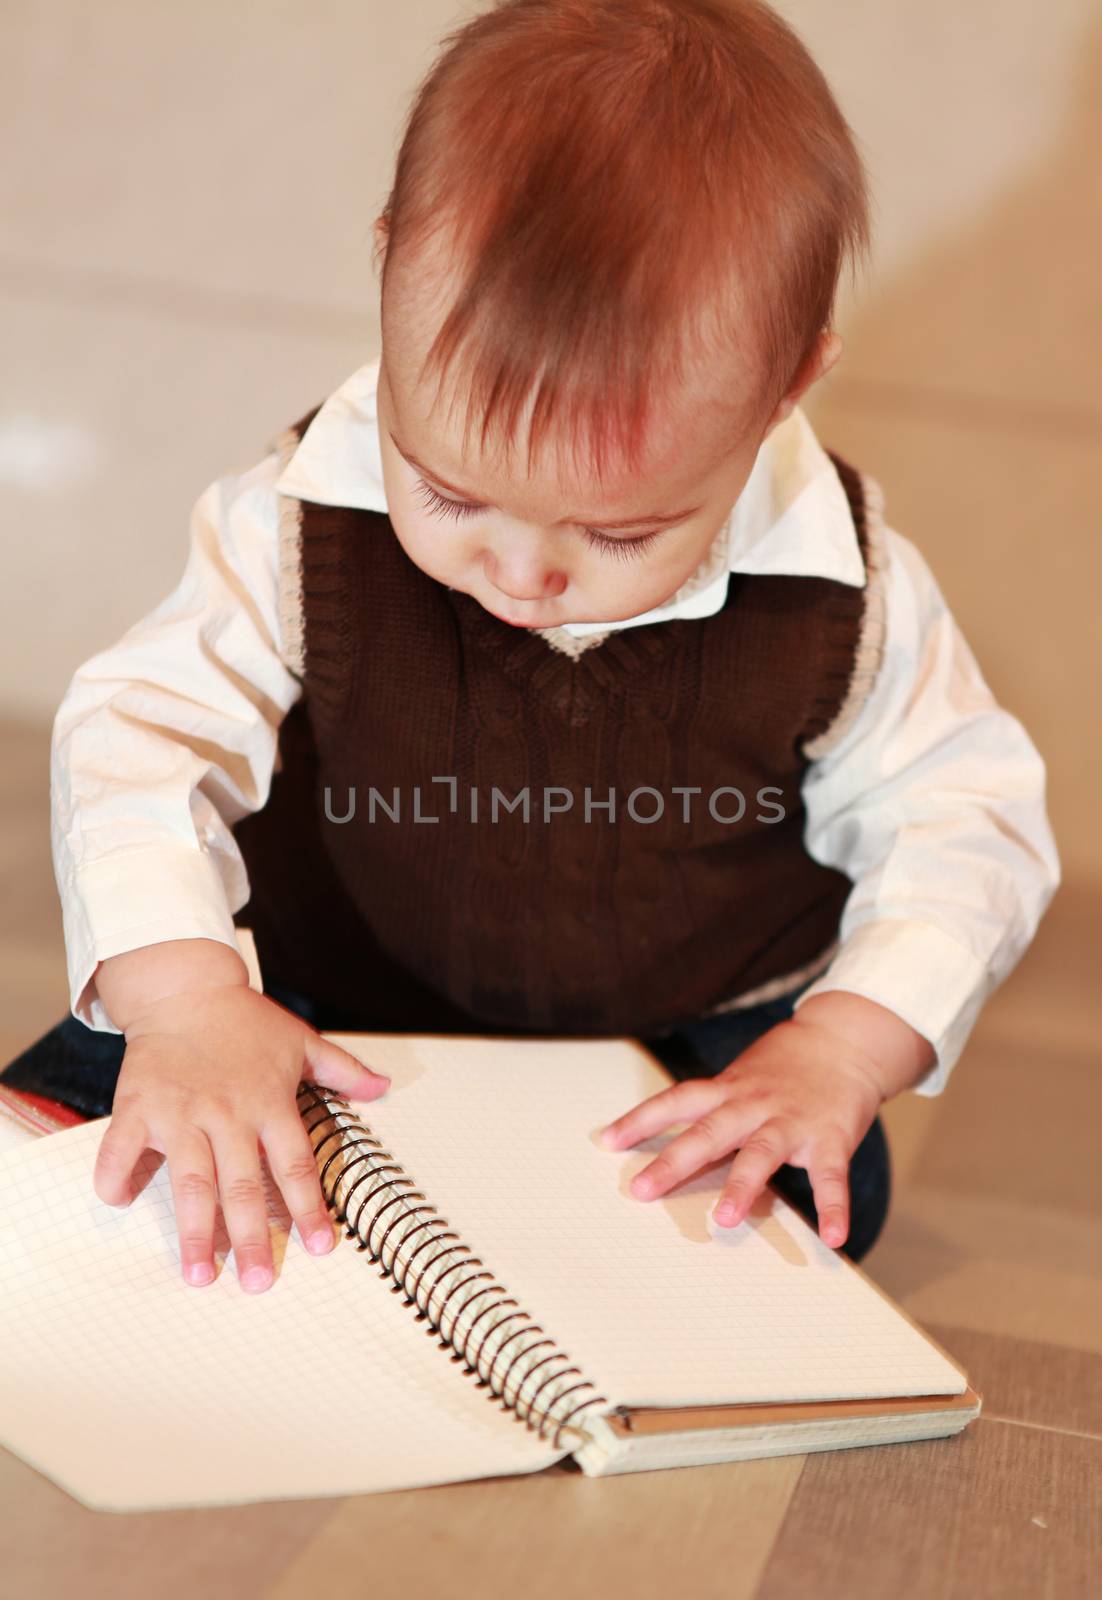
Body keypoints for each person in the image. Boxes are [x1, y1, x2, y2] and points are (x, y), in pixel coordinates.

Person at [2, 0, 1058, 1292]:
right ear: (389, 276)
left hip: (675, 1029)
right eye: (447, 494)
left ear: (788, 383)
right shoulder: (289, 524)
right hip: (324, 993)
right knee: (114, 1081)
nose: (519, 574)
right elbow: (142, 732)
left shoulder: (852, 585)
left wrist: (842, 1045)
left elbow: (964, 818)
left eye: (619, 532)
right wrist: (184, 1000)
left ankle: (591, 1225)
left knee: (791, 1187)